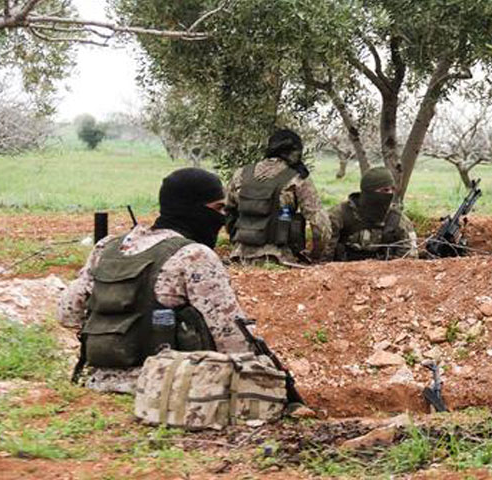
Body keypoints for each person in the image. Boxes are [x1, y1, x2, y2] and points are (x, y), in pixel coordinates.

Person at [58, 168, 253, 394]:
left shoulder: (108, 247)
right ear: (193, 209)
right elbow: (232, 337)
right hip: (167, 388)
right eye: (218, 208)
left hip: (97, 383)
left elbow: (67, 313)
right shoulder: (194, 255)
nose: (221, 217)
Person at [225, 129, 331, 265]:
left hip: (239, 258)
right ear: (296, 151)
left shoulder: (241, 174)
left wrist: (236, 241)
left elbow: (229, 213)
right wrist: (316, 255)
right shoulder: (296, 178)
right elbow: (321, 224)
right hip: (280, 260)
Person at [325, 166, 418, 261]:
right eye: (384, 190)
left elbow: (409, 256)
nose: (389, 194)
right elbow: (325, 253)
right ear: (369, 191)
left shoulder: (396, 219)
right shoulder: (340, 215)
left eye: (391, 190)